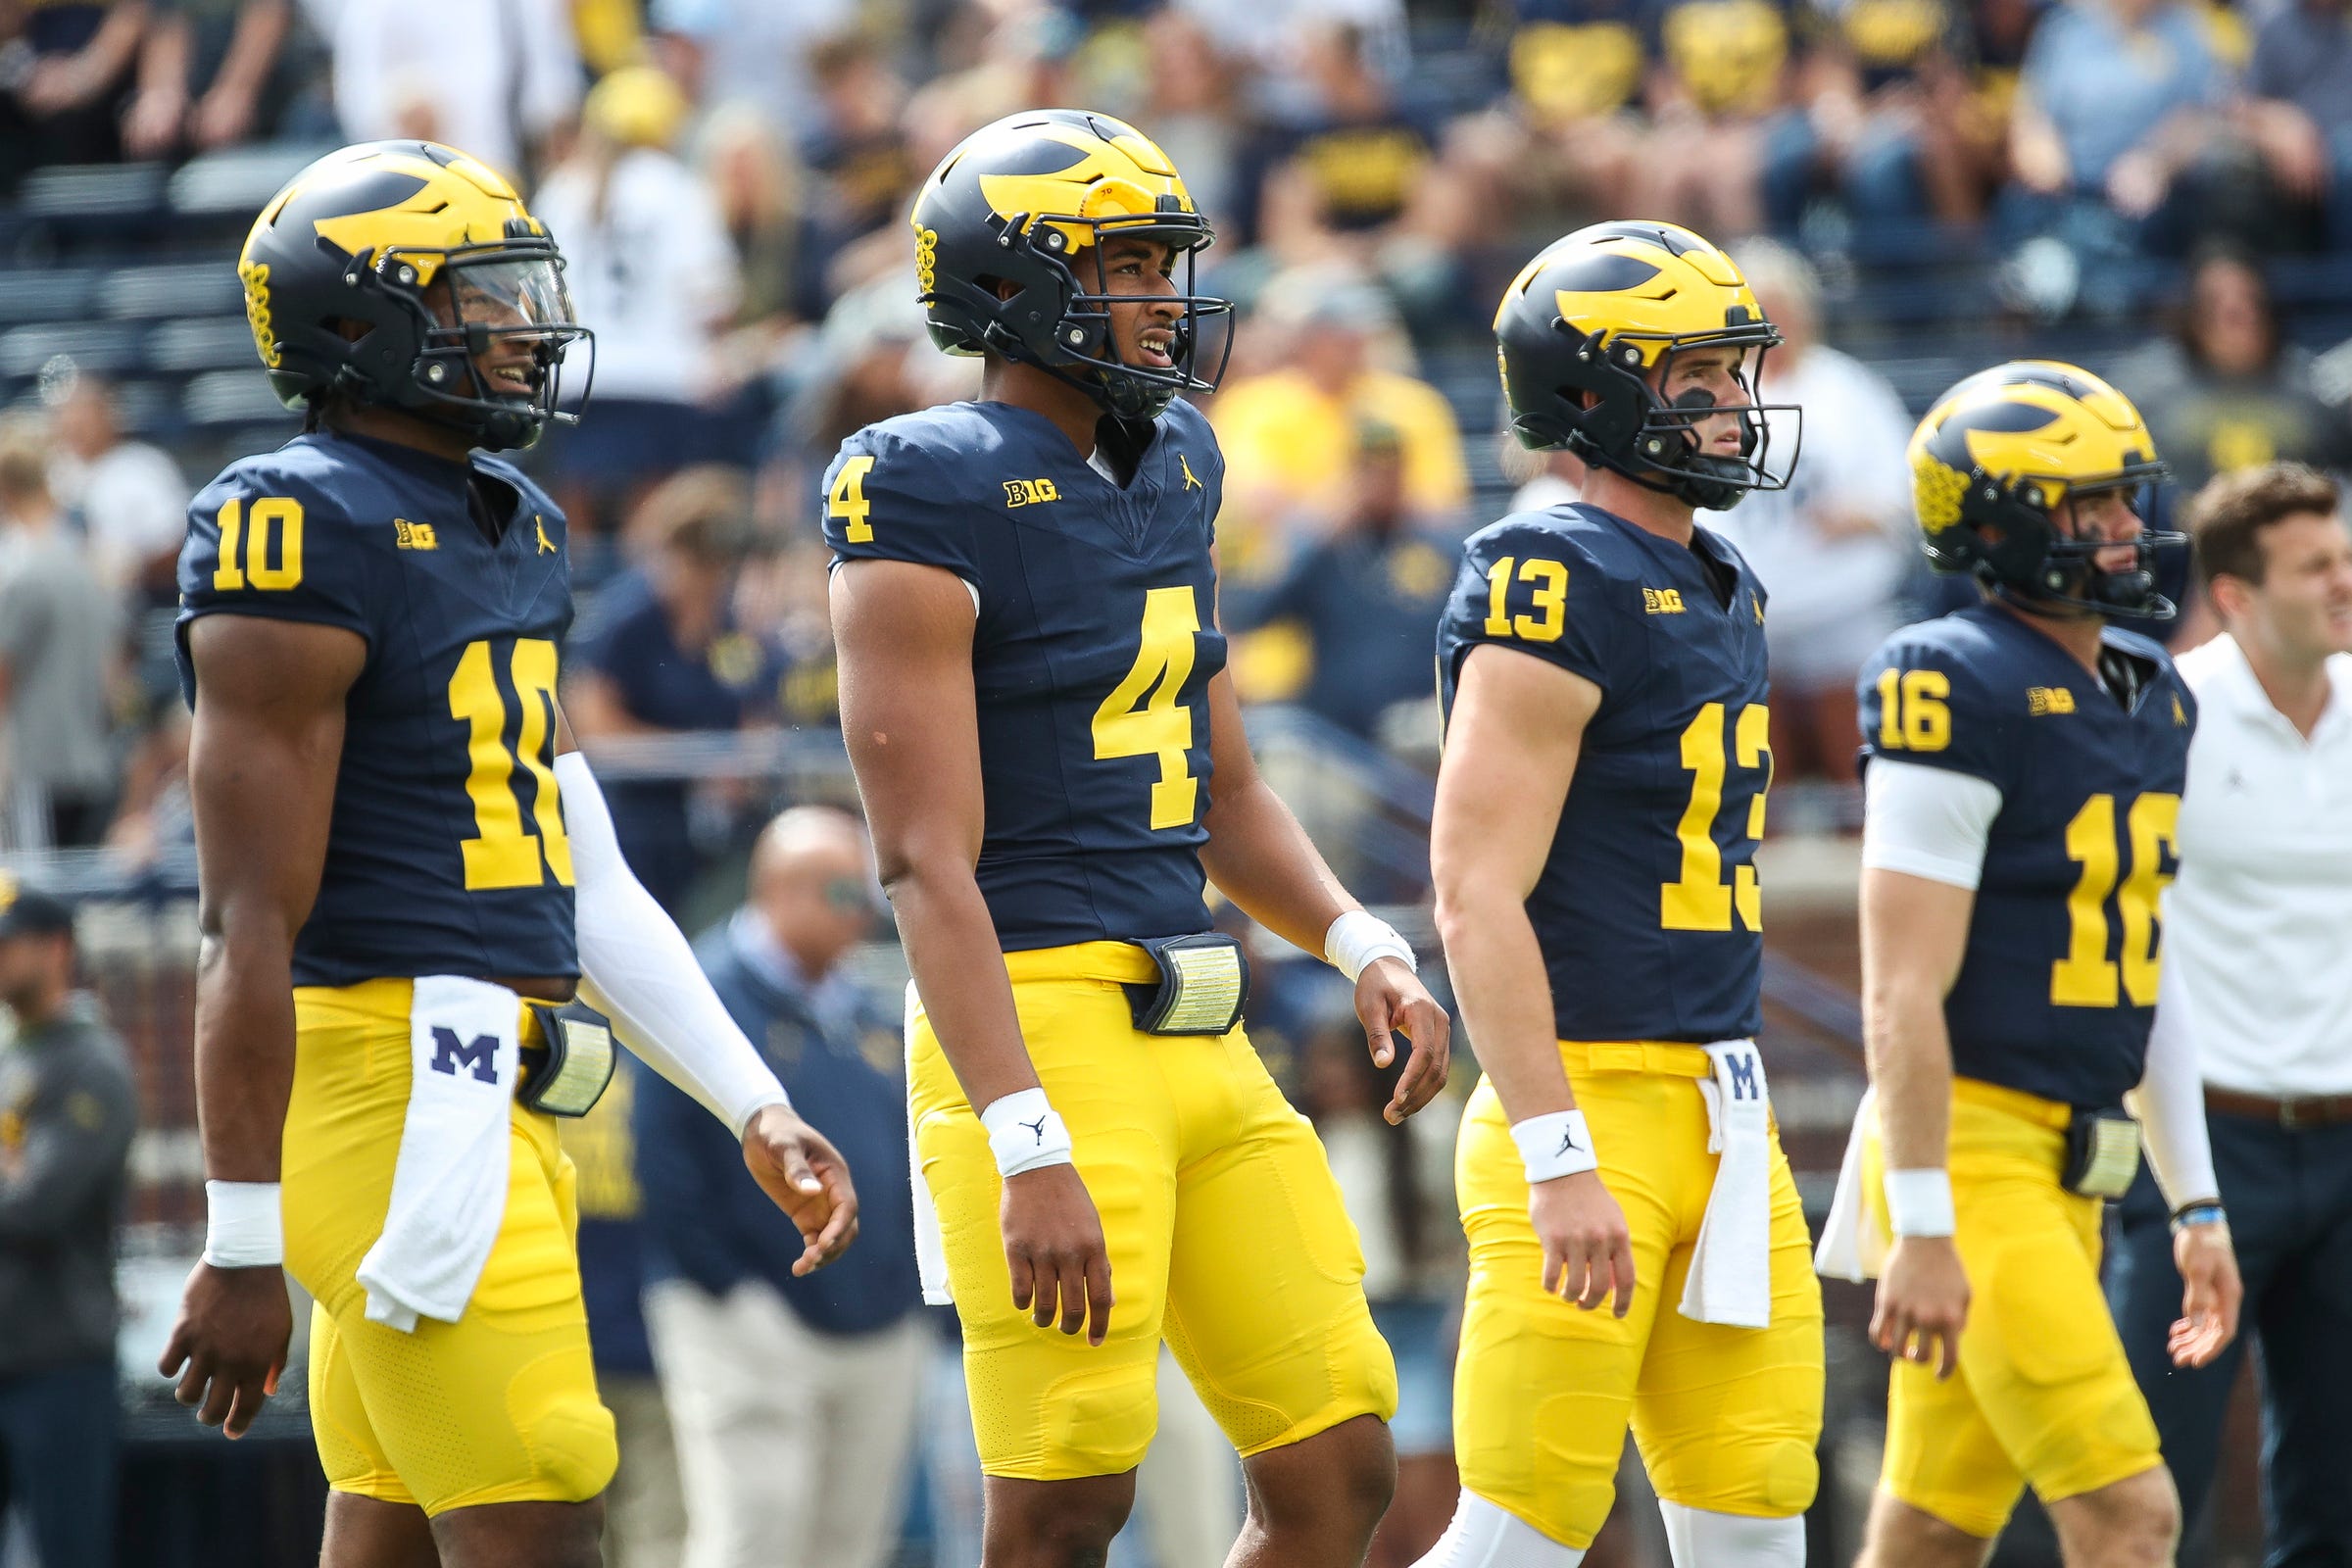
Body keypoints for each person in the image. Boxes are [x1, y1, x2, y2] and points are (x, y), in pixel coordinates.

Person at [152, 139, 857, 1568]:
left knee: (398, 1536)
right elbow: (243, 925)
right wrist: (238, 1238)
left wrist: (751, 1099)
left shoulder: (512, 521)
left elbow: (578, 864)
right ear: (364, 323)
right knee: (543, 1500)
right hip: (387, 1081)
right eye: (481, 298)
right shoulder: (297, 522)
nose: (523, 326)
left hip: (494, 1083)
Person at [823, 108, 1452, 1568]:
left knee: (1340, 1455)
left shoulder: (1175, 455)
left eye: (1167, 263)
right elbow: (924, 861)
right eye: (1122, 264)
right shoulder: (921, 479)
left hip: (1199, 1018)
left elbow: (1221, 788)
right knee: (1063, 1502)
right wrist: (1022, 1133)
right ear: (1011, 285)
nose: (1164, 298)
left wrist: (1359, 941)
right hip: (1034, 1017)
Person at [1420, 220, 1822, 1568]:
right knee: (1521, 1534)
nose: (1733, 407)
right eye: (1694, 377)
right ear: (1592, 393)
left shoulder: (1723, 578)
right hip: (1585, 1098)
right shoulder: (1554, 570)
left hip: (1726, 1104)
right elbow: (1474, 891)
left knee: (1760, 1519)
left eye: (1734, 373)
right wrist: (1554, 1152)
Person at [1820, 361, 2243, 1568]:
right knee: (2129, 1511)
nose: (2125, 530)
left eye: (2126, 500)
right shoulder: (1948, 676)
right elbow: (1899, 983)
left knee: (1929, 1536)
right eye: (2089, 508)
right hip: (1974, 1152)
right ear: (1998, 519)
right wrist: (1928, 1221)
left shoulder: (2154, 690)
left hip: (2081, 1168)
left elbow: (2142, 960)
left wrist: (2195, 1198)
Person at [2107, 462, 2352, 1563]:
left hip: (2348, 1141)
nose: (2346, 582)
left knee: (2337, 1504)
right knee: (2146, 1486)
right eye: (2318, 567)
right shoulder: (2165, 714)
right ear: (2240, 593)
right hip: (2201, 1152)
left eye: (2346, 557)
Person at [636, 806, 925, 1568]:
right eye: (842, 894)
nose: (863, 912)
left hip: (874, 1324)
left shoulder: (858, 1004)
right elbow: (664, 1165)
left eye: (866, 893)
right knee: (755, 1540)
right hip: (748, 1319)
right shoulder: (705, 994)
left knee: (851, 1546)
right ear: (780, 888)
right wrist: (733, 1292)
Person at [1698, 240, 1916, 791]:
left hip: (1844, 606)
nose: (1773, 321)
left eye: (1781, 306)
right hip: (1745, 616)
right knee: (1755, 763)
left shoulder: (1849, 388)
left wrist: (1866, 513)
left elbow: (1903, 487)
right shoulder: (1716, 392)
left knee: (1858, 758)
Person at [0, 876, 138, 1568]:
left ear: (57, 948)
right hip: (9, 1349)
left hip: (61, 1361)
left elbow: (36, 1206)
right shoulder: (9, 1055)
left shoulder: (93, 1063)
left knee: (69, 1553)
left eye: (8, 944)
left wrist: (17, 1174)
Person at [0, 413, 122, 851]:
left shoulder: (19, 571)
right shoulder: (92, 563)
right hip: (93, 763)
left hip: (36, 769)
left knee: (35, 898)